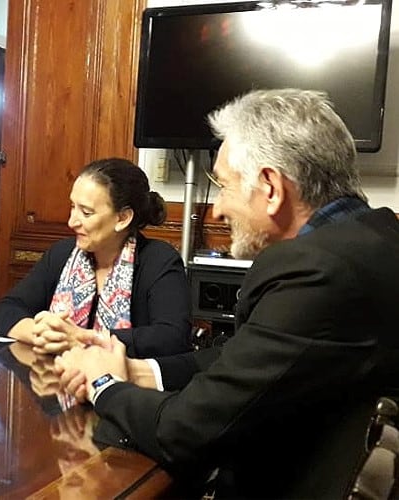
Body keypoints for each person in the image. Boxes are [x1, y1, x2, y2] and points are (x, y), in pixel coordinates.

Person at [56, 89, 399, 498]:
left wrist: (104, 383)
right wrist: (144, 371)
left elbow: (185, 432)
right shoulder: (375, 238)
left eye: (223, 185)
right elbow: (247, 358)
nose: (217, 209)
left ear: (270, 187)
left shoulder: (317, 272)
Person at [0, 158, 191, 358]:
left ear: (122, 218)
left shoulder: (159, 260)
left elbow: (172, 337)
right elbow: (7, 309)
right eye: (72, 207)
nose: (72, 222)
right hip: (56, 379)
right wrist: (42, 335)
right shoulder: (62, 253)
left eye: (86, 212)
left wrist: (83, 339)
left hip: (127, 387)